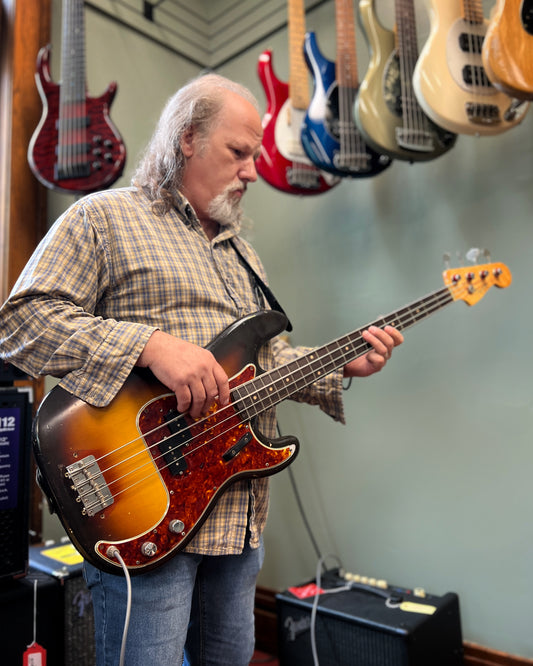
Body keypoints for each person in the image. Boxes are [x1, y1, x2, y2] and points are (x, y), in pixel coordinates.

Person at [0, 73, 403, 665]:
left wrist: (342, 366)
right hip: (142, 508)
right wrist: (150, 345)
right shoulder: (105, 218)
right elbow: (20, 324)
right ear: (187, 138)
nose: (250, 173)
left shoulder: (246, 257)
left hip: (237, 516)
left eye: (255, 157)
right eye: (238, 153)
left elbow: (262, 366)